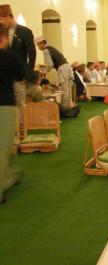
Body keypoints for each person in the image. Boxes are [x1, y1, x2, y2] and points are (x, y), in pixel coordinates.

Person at [0, 24, 26, 203]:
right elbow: (20, 75)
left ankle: (10, 176)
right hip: (4, 106)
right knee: (2, 150)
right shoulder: (9, 56)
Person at [0, 4, 36, 132]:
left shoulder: (24, 31)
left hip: (19, 76)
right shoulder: (1, 33)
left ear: (9, 16)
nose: (1, 22)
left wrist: (28, 73)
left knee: (20, 105)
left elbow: (32, 53)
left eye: (2, 19)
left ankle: (21, 132)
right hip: (4, 79)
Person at [34, 36, 74, 110]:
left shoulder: (46, 50)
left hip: (62, 68)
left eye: (38, 45)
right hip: (67, 67)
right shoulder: (51, 47)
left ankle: (64, 109)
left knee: (64, 90)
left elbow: (50, 64)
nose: (38, 47)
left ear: (42, 43)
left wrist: (44, 72)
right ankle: (68, 107)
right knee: (68, 90)